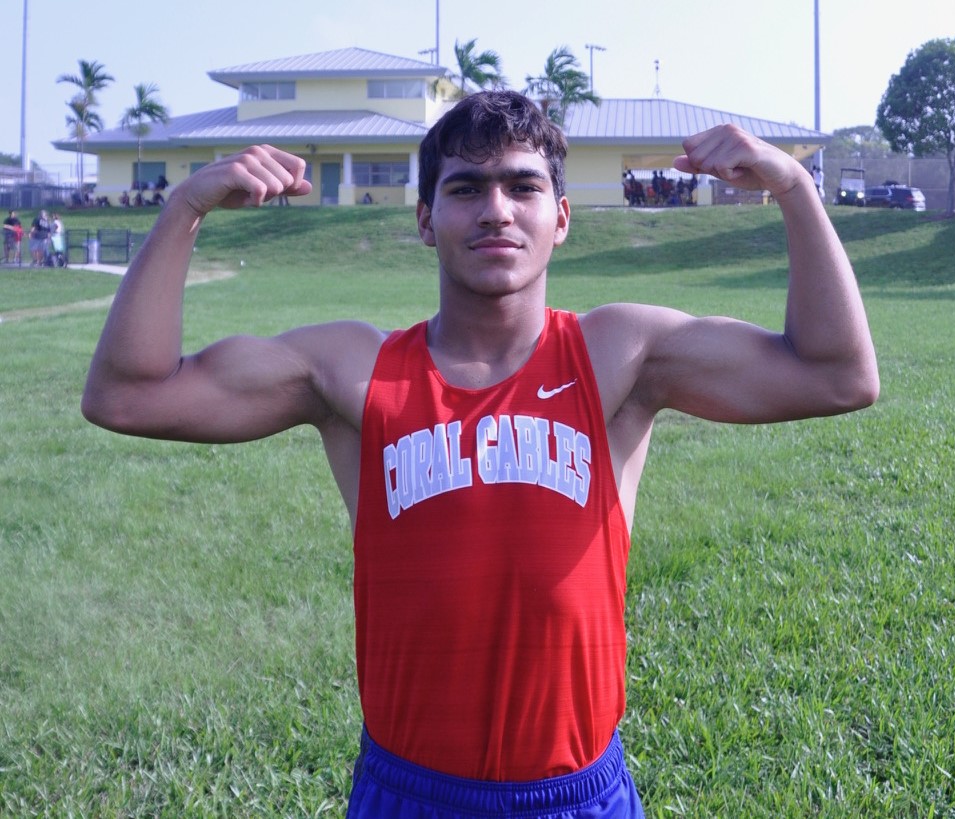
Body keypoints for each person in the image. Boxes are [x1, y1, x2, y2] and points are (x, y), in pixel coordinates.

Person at [81, 90, 878, 817]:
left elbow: (837, 374)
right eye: (465, 188)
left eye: (523, 186)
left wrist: (794, 189)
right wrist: (185, 205)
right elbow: (128, 395)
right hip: (411, 790)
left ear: (560, 216)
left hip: (578, 791)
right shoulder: (353, 370)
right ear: (426, 219)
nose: (496, 209)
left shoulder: (617, 354)